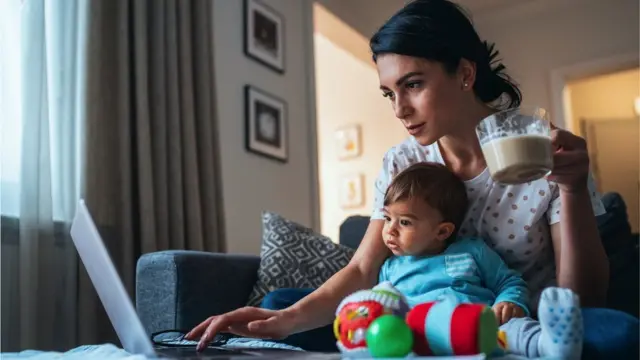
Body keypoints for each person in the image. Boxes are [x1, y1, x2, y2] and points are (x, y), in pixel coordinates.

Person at [186, 0, 639, 357]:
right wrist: (283, 319)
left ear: (464, 73)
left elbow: (583, 298)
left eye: (413, 84)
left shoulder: (545, 150)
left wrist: (573, 188)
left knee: (615, 332)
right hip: (417, 319)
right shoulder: (402, 162)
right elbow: (364, 270)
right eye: (389, 92)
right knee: (277, 304)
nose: (399, 108)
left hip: (518, 328)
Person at [374, 162, 581, 358]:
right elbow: (381, 304)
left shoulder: (471, 251)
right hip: (427, 337)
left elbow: (508, 282)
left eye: (404, 222)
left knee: (515, 330)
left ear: (442, 231)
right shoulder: (390, 269)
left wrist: (509, 301)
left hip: (485, 330)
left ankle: (551, 344)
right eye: (387, 218)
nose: (390, 229)